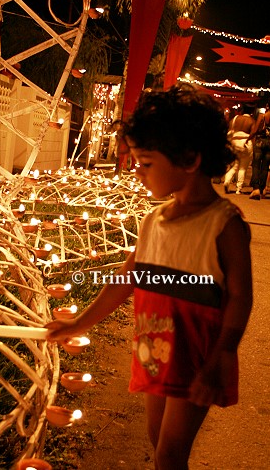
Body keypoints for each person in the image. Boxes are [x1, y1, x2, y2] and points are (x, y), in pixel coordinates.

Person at [46, 83, 253, 470]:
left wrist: (223, 354)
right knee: (157, 441)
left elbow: (240, 296)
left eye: (146, 163)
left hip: (198, 353)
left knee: (171, 453)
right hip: (155, 346)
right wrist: (79, 322)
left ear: (190, 159)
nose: (138, 174)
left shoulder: (224, 225)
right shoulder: (153, 220)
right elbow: (126, 281)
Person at [223, 103, 255, 194]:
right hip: (245, 143)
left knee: (234, 166)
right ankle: (238, 189)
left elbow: (230, 129)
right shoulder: (251, 121)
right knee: (243, 168)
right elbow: (253, 133)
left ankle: (227, 181)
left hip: (235, 142)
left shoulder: (236, 118)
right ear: (252, 112)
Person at [248, 102, 270, 200]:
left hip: (260, 142)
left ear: (267, 106)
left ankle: (256, 189)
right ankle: (262, 189)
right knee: (265, 166)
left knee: (256, 165)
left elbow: (255, 130)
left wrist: (248, 138)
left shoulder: (262, 116)